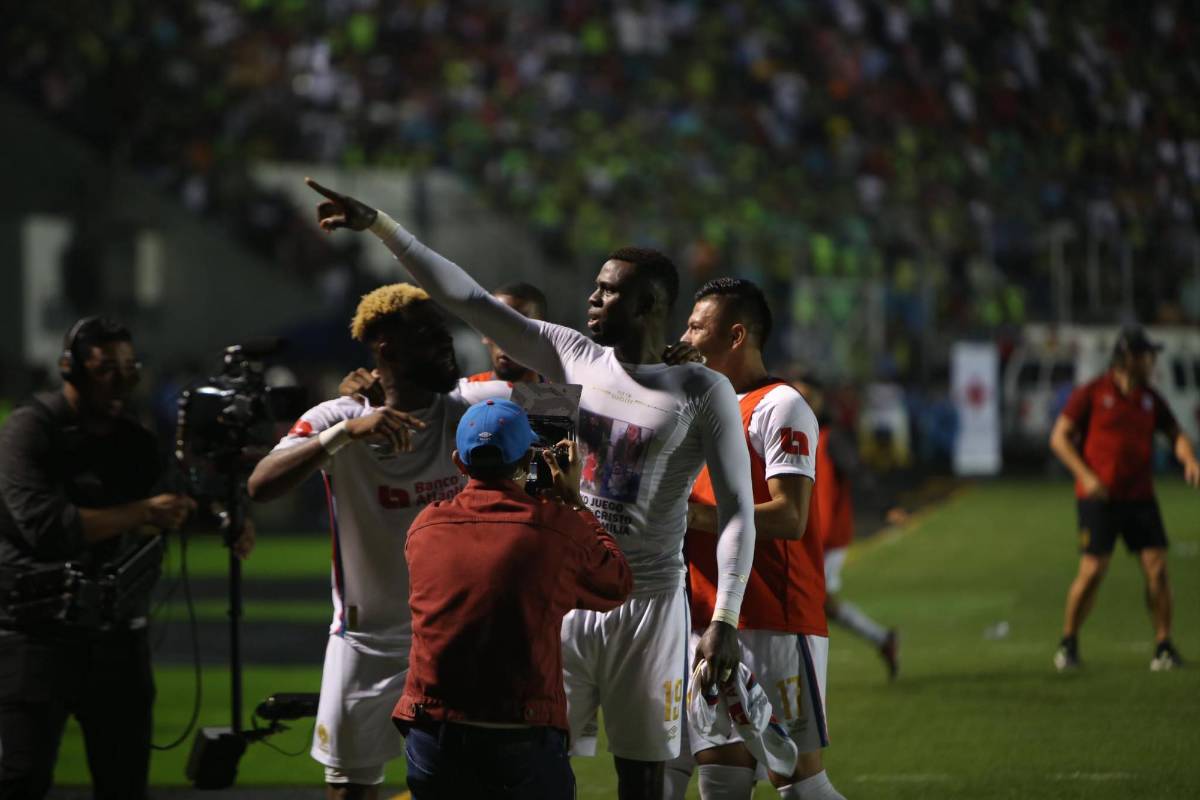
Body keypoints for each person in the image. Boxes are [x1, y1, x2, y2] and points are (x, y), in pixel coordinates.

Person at [306, 178, 756, 800]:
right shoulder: (570, 356)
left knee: (643, 776)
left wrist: (726, 616)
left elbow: (737, 511)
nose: (592, 299)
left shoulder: (701, 390)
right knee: (530, 756)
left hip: (649, 602)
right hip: (560, 594)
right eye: (596, 286)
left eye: (609, 291)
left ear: (650, 303)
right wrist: (381, 225)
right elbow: (466, 298)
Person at [248, 284, 506, 800]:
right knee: (349, 789)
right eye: (428, 332)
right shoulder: (338, 417)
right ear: (387, 347)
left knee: (469, 786)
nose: (445, 341)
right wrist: (347, 433)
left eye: (442, 329)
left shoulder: (470, 407)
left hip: (457, 642)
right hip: (366, 642)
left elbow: (567, 396)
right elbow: (260, 484)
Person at [0, 317, 197, 799]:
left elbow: (174, 499)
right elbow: (47, 527)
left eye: (129, 368)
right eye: (105, 368)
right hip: (37, 634)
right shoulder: (31, 428)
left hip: (118, 639)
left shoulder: (134, 439)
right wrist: (141, 513)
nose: (120, 380)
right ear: (70, 369)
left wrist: (223, 512)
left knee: (124, 784)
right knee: (22, 779)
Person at [395, 398, 632, 798]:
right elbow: (617, 583)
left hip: (434, 731)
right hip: (521, 730)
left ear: (459, 462)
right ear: (528, 458)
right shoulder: (557, 528)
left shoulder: (425, 526)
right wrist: (574, 503)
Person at [670, 279, 845, 800]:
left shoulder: (781, 405)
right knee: (721, 780)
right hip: (709, 616)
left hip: (775, 617)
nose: (685, 337)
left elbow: (791, 516)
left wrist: (692, 518)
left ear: (736, 335)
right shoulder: (699, 405)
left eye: (696, 326)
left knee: (800, 784)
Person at [1049, 326, 1200, 672]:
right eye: (1147, 355)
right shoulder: (1092, 393)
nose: (1152, 362)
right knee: (1092, 571)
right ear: (1129, 358)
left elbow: (1176, 433)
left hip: (1139, 497)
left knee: (1157, 567)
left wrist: (1189, 458)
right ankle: (1068, 641)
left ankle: (1163, 645)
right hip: (1099, 499)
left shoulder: (1150, 398)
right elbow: (1059, 438)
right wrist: (1086, 476)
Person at [792, 374, 899, 680]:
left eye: (808, 396)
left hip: (827, 538)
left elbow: (858, 470)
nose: (802, 403)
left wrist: (885, 505)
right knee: (817, 603)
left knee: (809, 603)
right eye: (798, 397)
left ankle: (801, 671)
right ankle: (882, 639)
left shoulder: (831, 437)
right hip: (802, 536)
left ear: (820, 399)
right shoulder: (793, 433)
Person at [338, 281, 549, 406]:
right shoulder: (461, 398)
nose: (506, 338)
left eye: (519, 327)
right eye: (497, 326)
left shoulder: (558, 399)